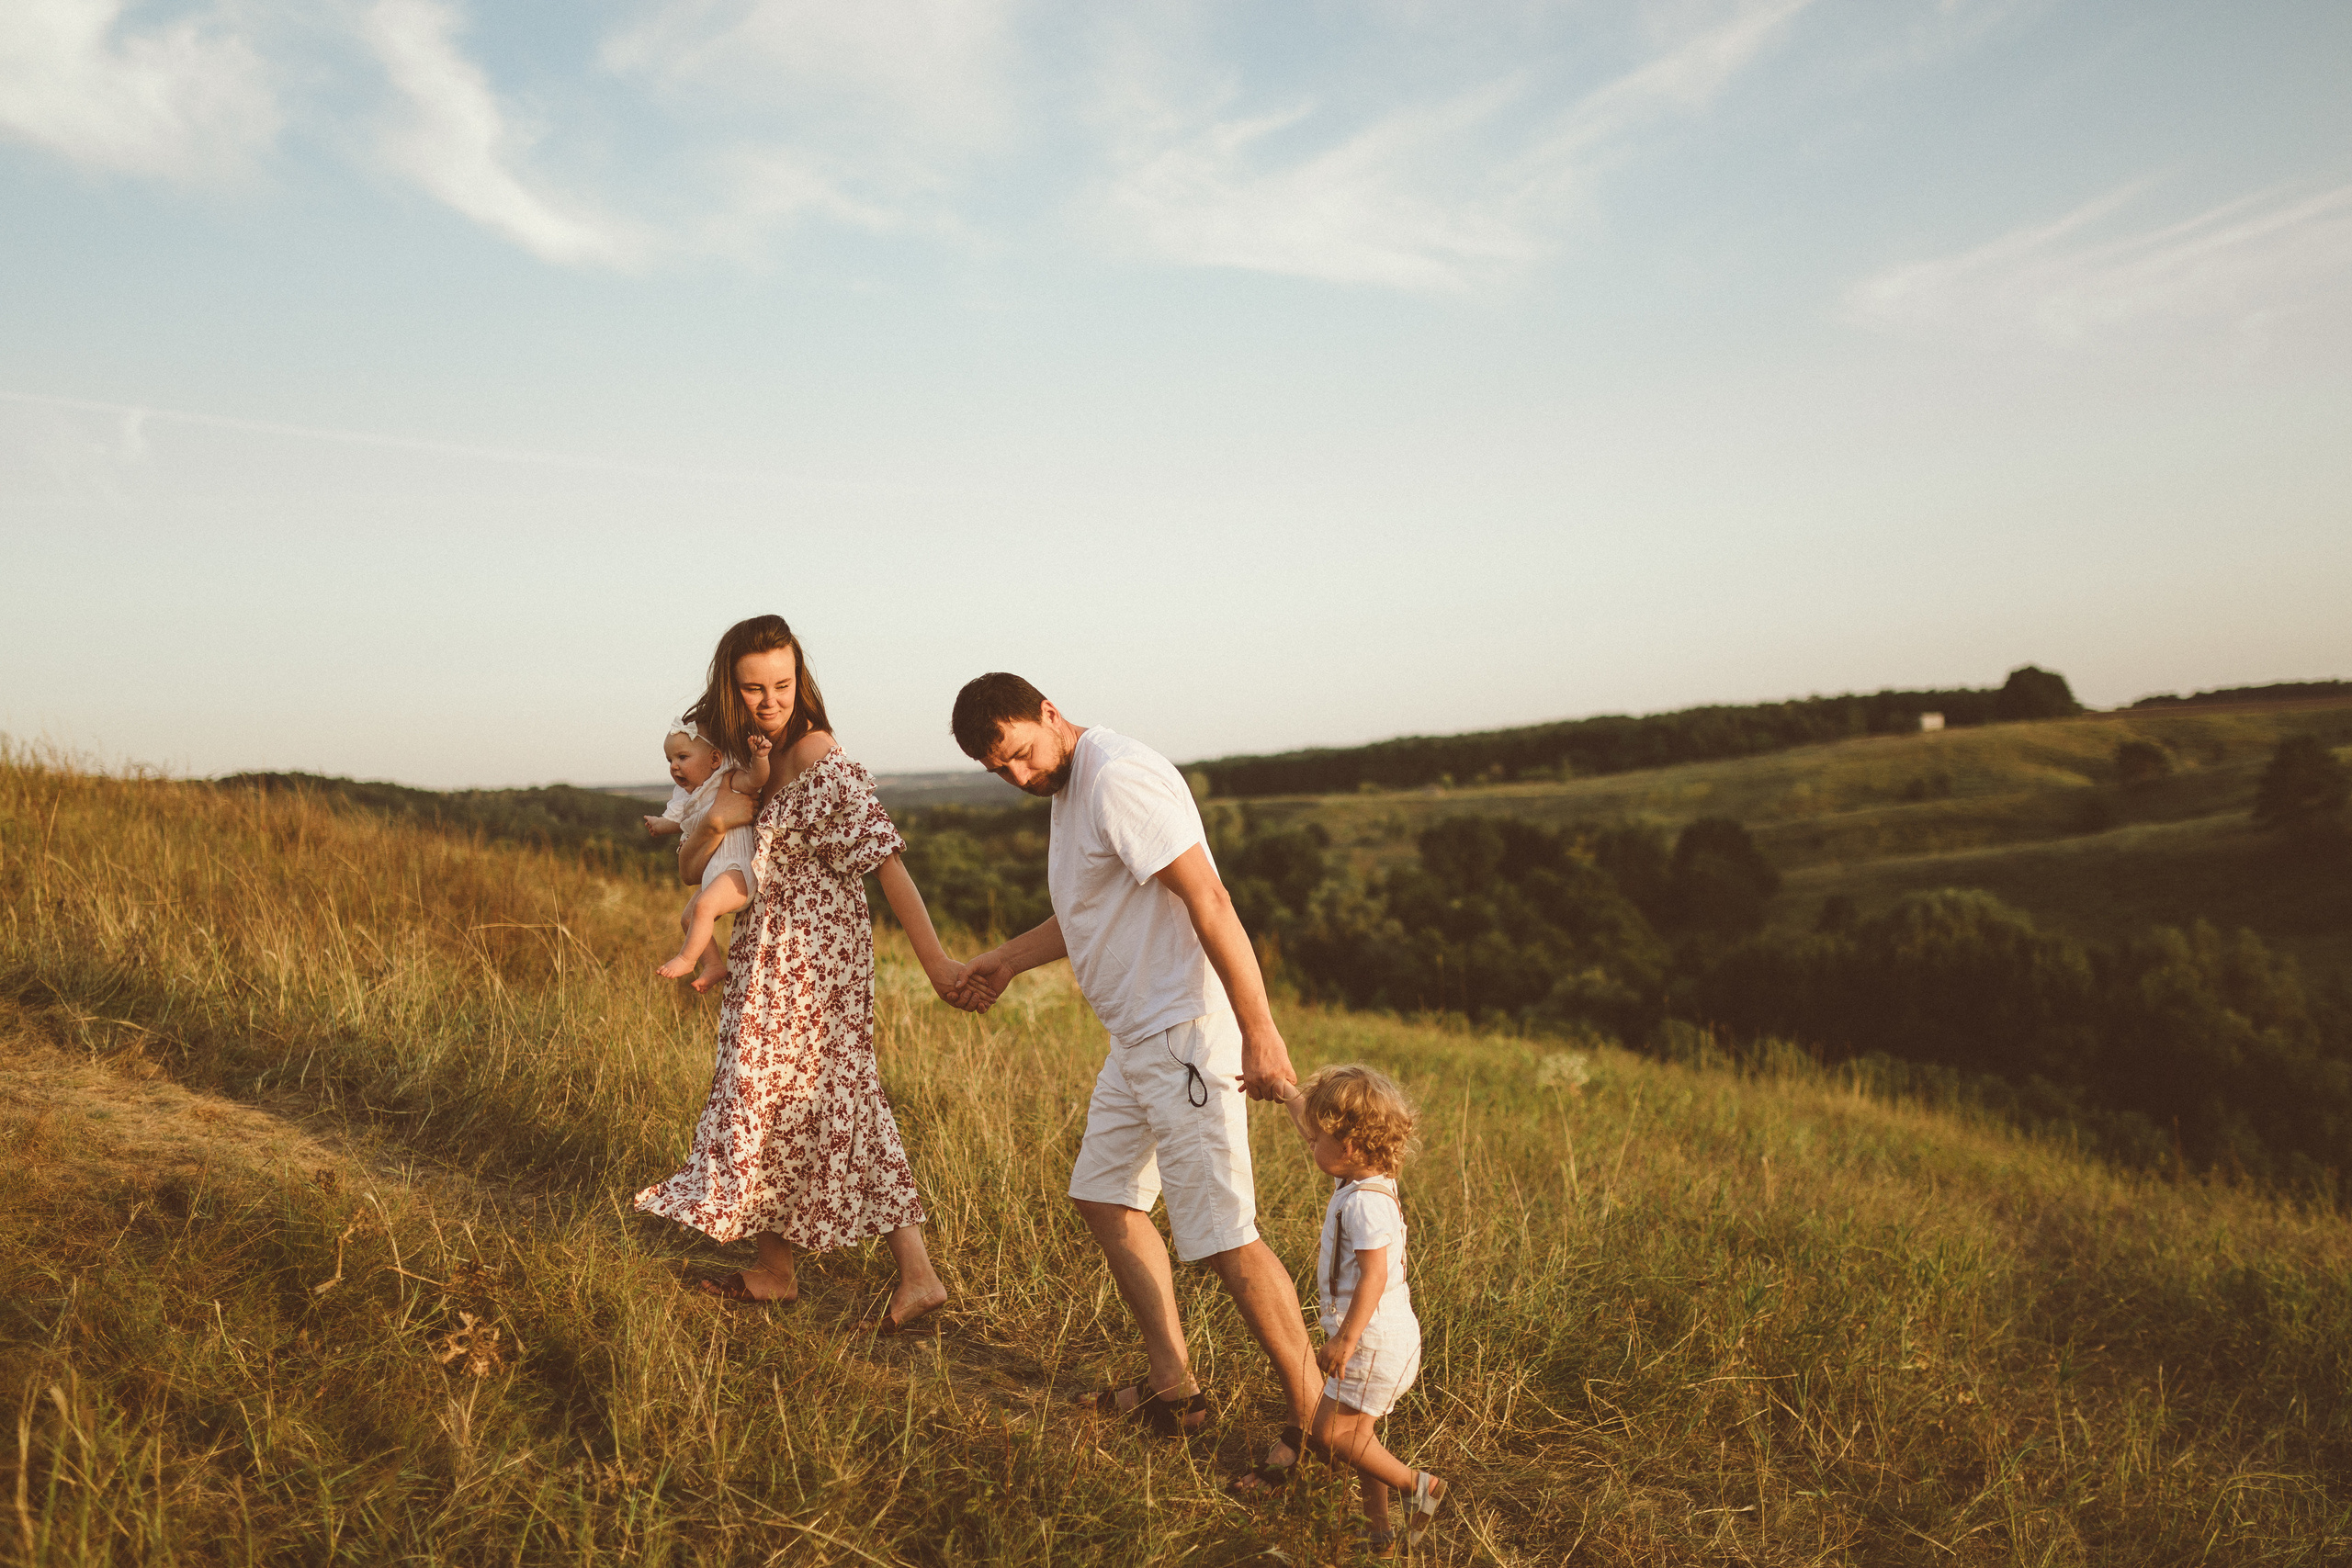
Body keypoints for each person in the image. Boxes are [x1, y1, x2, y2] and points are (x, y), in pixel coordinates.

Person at [949, 673, 1318, 1456]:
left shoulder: (1117, 776)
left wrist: (1260, 1029)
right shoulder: (1069, 789)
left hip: (1184, 1033)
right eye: (999, 772)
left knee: (1224, 1237)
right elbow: (1089, 908)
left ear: (1049, 711)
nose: (1019, 777)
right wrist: (1009, 960)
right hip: (1135, 1041)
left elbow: (1210, 899)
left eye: (1019, 754)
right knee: (1104, 1195)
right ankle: (1174, 1390)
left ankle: (1320, 1423)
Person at [634, 615, 968, 1329]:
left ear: (800, 680)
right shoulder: (732, 763)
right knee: (770, 1092)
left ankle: (909, 1271)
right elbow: (691, 866)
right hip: (764, 945)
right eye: (753, 687)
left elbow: (886, 857)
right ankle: (781, 1267)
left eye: (782, 684)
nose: (770, 700)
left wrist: (937, 961)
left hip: (822, 956)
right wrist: (720, 819)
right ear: (730, 687)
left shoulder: (819, 752)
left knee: (829, 1092)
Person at [1242, 1065, 1448, 1551]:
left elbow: (1374, 1275)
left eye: (1316, 1140)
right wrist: (1286, 1092)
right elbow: (1313, 1128)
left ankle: (1420, 1486)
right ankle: (1379, 1529)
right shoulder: (1364, 1180)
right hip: (1382, 1337)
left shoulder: (1364, 1204)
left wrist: (1345, 1339)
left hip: (1371, 1339)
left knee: (1328, 1432)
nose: (1309, 1144)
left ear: (1349, 1146)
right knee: (1360, 1437)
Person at [645, 718, 770, 991]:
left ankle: (687, 958)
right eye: (669, 760)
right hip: (716, 873)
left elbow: (758, 779)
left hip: (738, 871)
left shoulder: (729, 779)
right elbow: (677, 821)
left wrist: (759, 757)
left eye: (682, 757)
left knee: (704, 907)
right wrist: (659, 824)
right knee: (688, 918)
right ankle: (712, 965)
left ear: (715, 759)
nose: (674, 766)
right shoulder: (688, 797)